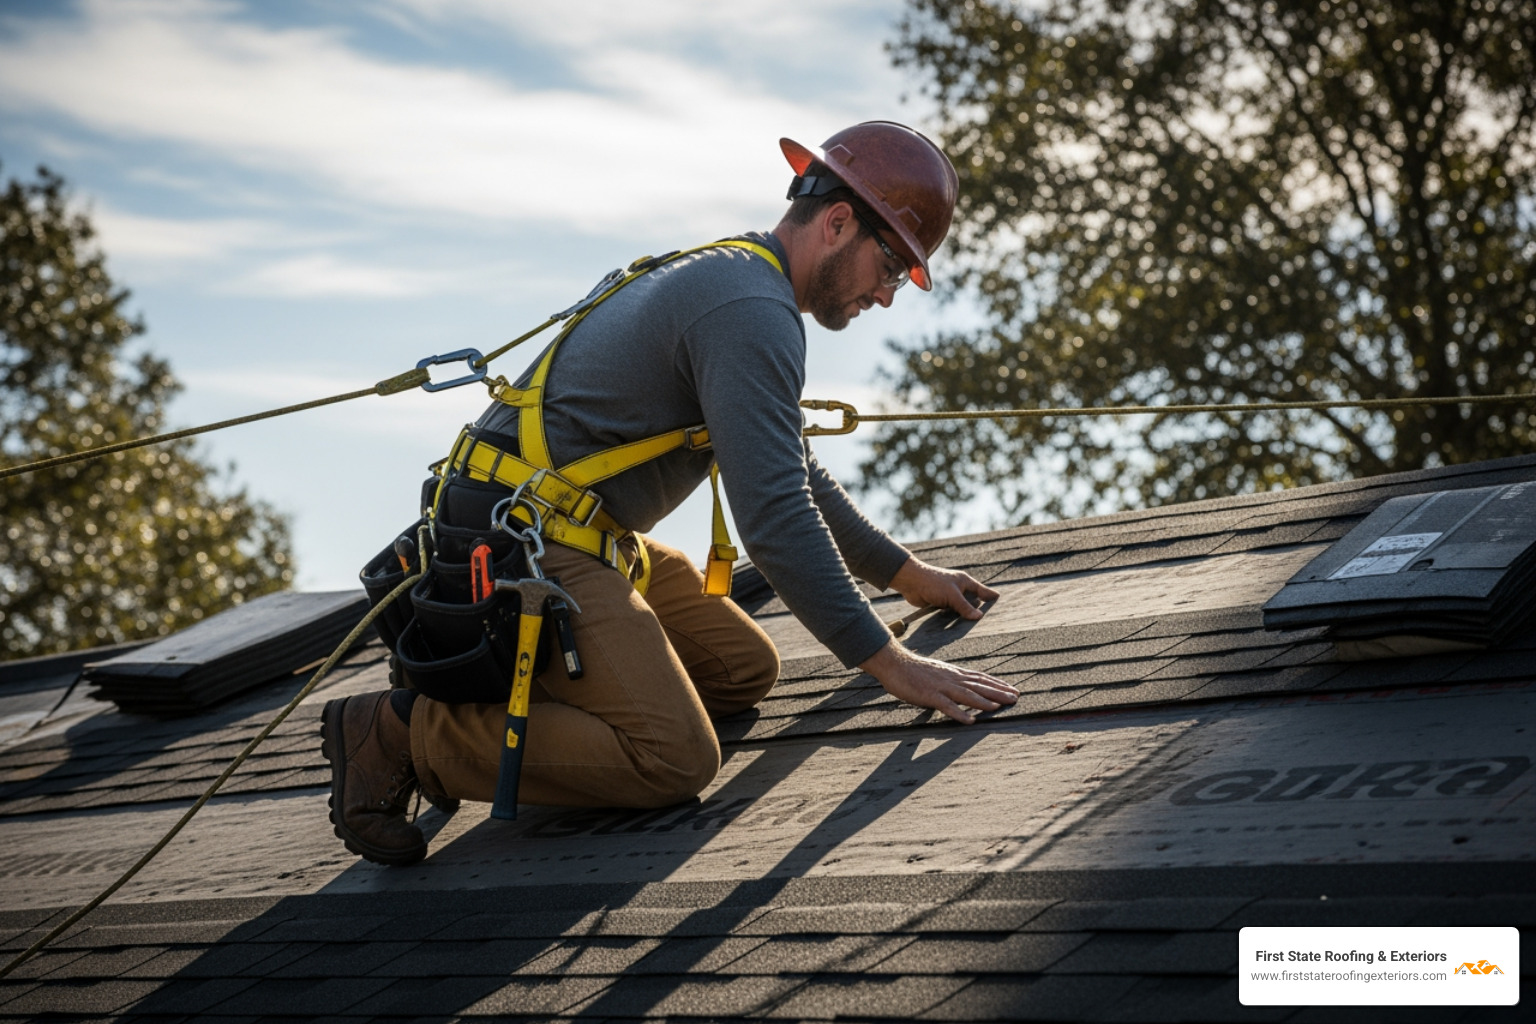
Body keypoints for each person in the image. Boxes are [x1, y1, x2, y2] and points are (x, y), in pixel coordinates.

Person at [320, 121, 1019, 866]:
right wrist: (892, 664)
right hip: (524, 544)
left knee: (741, 670)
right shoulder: (749, 309)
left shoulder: (740, 280)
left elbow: (793, 468)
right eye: (890, 264)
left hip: (569, 527)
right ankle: (400, 733)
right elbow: (775, 517)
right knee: (674, 757)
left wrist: (906, 576)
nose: (887, 294)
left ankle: (540, 705)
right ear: (839, 222)